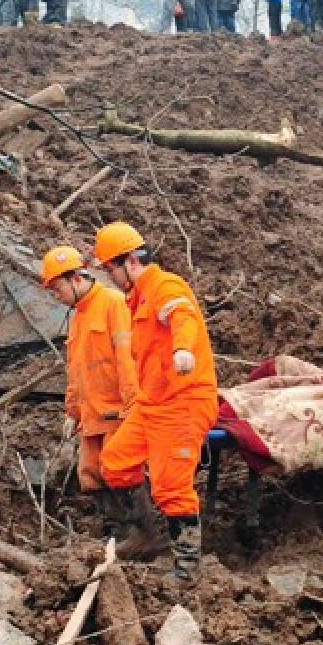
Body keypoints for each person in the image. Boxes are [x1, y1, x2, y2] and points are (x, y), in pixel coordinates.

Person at [94, 223, 218, 582]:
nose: (110, 279)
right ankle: (150, 534)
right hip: (154, 402)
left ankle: (186, 568)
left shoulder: (165, 286)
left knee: (171, 486)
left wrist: (182, 350)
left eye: (111, 270)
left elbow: (183, 317)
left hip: (183, 401)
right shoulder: (139, 299)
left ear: (131, 262)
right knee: (116, 463)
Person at [40, 246, 143, 537]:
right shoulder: (78, 318)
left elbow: (127, 361)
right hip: (92, 413)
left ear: (75, 278)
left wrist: (133, 405)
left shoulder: (113, 303)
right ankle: (115, 530)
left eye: (57, 287)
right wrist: (72, 412)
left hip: (117, 410)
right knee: (91, 475)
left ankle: (141, 533)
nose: (56, 295)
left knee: (121, 470)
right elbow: (76, 370)